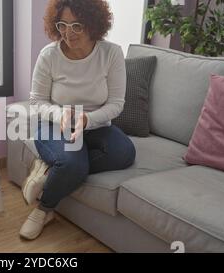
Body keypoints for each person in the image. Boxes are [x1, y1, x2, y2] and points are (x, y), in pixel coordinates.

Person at [19, 0, 136, 240]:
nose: (67, 33)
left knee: (124, 153)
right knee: (74, 164)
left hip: (94, 124)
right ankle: (44, 209)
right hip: (54, 125)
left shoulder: (111, 54)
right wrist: (61, 114)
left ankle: (51, 170)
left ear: (93, 25)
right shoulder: (49, 55)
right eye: (62, 25)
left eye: (76, 26)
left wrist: (88, 119)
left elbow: (116, 103)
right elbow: (37, 101)